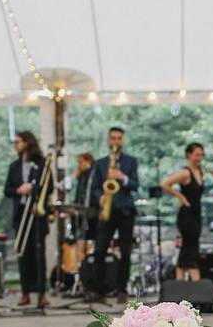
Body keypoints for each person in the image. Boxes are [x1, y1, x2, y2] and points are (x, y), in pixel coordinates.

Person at [87, 126, 139, 304]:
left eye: (119, 138)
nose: (116, 141)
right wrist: (99, 197)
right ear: (109, 140)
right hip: (106, 211)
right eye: (113, 138)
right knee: (100, 250)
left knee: (125, 251)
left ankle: (122, 289)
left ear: (122, 140)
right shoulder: (100, 163)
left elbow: (135, 184)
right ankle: (98, 290)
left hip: (125, 211)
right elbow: (94, 187)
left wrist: (122, 177)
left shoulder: (131, 162)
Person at [4, 131, 52, 308]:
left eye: (18, 141)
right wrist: (19, 190)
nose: (16, 145)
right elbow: (7, 190)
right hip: (21, 214)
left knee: (40, 255)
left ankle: (42, 293)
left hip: (37, 214)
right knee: (23, 254)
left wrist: (34, 188)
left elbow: (50, 186)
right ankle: (25, 293)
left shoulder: (42, 162)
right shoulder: (14, 166)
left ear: (27, 142)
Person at [162, 142, 205, 281]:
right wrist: (180, 196)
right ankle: (195, 281)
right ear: (189, 155)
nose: (200, 158)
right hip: (186, 214)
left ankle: (180, 282)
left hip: (196, 213)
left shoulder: (200, 171)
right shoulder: (185, 172)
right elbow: (165, 183)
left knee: (189, 247)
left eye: (201, 155)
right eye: (197, 155)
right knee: (190, 246)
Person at [72, 153, 97, 242]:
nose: (79, 165)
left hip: (92, 211)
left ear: (88, 161)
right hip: (82, 211)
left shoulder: (94, 174)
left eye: (80, 162)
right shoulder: (82, 175)